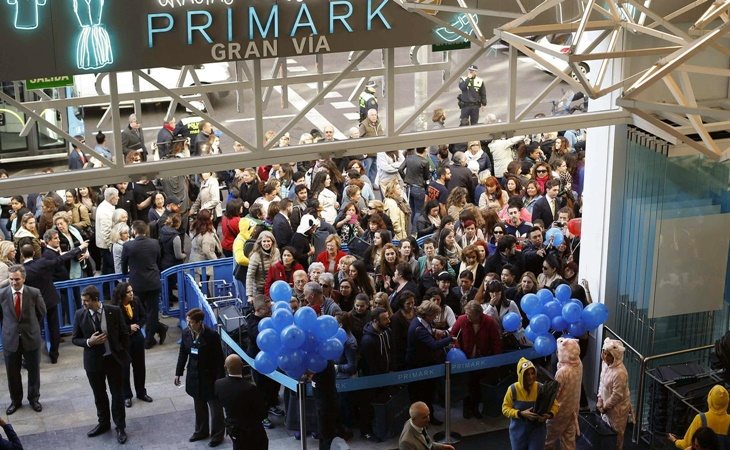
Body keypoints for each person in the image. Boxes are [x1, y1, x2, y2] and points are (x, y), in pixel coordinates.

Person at [72, 285, 130, 444]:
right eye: (83, 301)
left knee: (117, 394)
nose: (83, 304)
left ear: (96, 300)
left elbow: (124, 333)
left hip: (113, 360)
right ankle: (103, 423)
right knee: (99, 395)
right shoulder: (79, 315)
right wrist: (89, 342)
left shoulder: (113, 311)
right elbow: (75, 338)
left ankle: (120, 427)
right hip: (93, 363)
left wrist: (123, 353)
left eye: (86, 301)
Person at [175, 308, 226, 447]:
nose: (188, 325)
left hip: (210, 377)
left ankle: (217, 435)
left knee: (215, 409)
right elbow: (182, 354)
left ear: (199, 323)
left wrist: (219, 381)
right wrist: (178, 372)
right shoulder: (186, 333)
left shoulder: (212, 336)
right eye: (188, 322)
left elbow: (218, 360)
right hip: (194, 376)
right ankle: (201, 431)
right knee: (199, 406)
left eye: (190, 322)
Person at [0, 265, 45, 415]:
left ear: (24, 279)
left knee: (33, 371)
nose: (14, 282)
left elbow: (41, 313)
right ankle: (16, 401)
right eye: (11, 279)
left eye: (17, 279)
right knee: (12, 373)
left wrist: (31, 328)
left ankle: (34, 399)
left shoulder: (34, 293)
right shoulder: (2, 294)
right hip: (10, 340)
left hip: (31, 338)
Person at [406, 300, 455, 425]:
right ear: (427, 314)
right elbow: (433, 345)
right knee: (424, 393)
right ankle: (425, 419)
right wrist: (449, 339)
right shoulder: (418, 328)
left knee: (426, 393)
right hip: (420, 365)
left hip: (424, 363)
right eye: (433, 315)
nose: (435, 317)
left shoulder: (420, 323)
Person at [450, 300, 502, 418]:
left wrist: (497, 360)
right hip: (465, 359)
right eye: (466, 314)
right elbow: (453, 335)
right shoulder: (462, 320)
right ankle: (466, 409)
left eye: (470, 315)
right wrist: (457, 349)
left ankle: (475, 408)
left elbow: (496, 342)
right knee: (467, 384)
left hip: (482, 359)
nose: (467, 317)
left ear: (479, 315)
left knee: (477, 385)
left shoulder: (490, 322)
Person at [121, 221, 167, 350]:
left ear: (134, 231)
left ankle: (149, 336)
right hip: (153, 281)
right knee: (152, 311)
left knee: (138, 311)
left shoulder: (128, 246)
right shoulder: (154, 243)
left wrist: (126, 273)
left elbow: (123, 266)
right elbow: (158, 260)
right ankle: (150, 337)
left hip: (137, 283)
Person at [109, 282, 153, 409]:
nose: (132, 293)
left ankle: (141, 392)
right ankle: (126, 395)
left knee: (139, 367)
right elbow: (114, 326)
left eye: (132, 291)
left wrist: (137, 326)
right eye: (128, 292)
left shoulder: (136, 301)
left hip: (137, 338)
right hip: (124, 341)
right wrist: (129, 328)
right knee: (124, 369)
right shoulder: (115, 307)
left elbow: (144, 316)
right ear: (122, 294)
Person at [502, 357, 558, 450]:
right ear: (521, 375)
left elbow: (555, 404)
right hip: (518, 432)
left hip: (537, 431)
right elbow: (505, 409)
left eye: (532, 373)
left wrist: (548, 415)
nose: (531, 376)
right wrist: (520, 413)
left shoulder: (541, 388)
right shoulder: (512, 389)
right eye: (527, 374)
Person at [214, 354, 268, 450]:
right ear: (242, 365)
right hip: (253, 432)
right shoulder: (250, 388)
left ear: (225, 367)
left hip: (234, 430)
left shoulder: (219, 384)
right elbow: (262, 413)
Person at [545, 338, 582, 450]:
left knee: (547, 440)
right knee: (568, 441)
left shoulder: (563, 372)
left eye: (559, 351)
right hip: (573, 410)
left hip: (558, 412)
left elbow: (554, 393)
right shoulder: (579, 364)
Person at [597, 337, 632, 450]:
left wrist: (605, 407)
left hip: (618, 409)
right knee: (605, 430)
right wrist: (599, 399)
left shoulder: (620, 373)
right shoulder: (605, 364)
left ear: (616, 356)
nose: (605, 357)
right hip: (606, 405)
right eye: (604, 353)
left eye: (609, 355)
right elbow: (602, 382)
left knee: (616, 435)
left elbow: (617, 395)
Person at [246, 231, 280, 303]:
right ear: (260, 242)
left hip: (275, 287)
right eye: (264, 241)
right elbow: (250, 276)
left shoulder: (276, 252)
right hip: (260, 290)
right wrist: (250, 295)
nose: (266, 244)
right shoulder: (255, 256)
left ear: (272, 242)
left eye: (268, 241)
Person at [96, 187, 119, 274]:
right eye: (117, 196)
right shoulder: (105, 211)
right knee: (110, 269)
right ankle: (108, 287)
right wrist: (111, 247)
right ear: (112, 198)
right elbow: (106, 232)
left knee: (107, 268)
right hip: (107, 246)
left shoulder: (107, 206)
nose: (118, 198)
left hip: (107, 244)